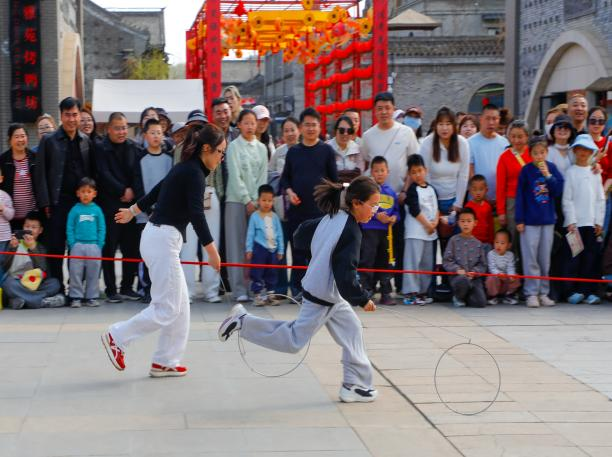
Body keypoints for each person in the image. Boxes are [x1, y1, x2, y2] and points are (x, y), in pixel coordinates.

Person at [218, 176, 379, 403]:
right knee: (293, 341)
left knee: (352, 330)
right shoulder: (351, 231)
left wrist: (321, 251)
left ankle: (355, 385)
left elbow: (300, 235)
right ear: (356, 203)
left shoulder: (333, 217)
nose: (375, 210)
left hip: (329, 294)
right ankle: (243, 322)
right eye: (373, 205)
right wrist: (362, 299)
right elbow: (346, 275)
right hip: (323, 296)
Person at [103, 124, 224, 377]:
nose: (221, 158)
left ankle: (165, 361)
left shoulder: (186, 168)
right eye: (220, 152)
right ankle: (118, 336)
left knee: (180, 306)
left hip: (159, 238)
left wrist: (133, 211)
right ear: (206, 148)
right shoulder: (193, 174)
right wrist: (211, 250)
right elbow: (196, 214)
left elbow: (158, 190)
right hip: (162, 241)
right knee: (167, 307)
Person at [34, 97, 95, 285]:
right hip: (57, 203)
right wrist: (45, 203)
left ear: (79, 116)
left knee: (78, 247)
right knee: (56, 247)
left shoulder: (85, 141)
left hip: (80, 204)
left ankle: (75, 287)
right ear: (61, 116)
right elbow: (40, 174)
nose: (71, 119)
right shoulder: (49, 141)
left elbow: (90, 172)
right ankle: (57, 287)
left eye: (75, 115)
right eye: (67, 115)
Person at [362, 92, 419, 293]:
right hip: (375, 205)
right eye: (380, 108)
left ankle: (398, 285)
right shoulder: (368, 136)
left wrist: (404, 191)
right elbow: (365, 165)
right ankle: (372, 285)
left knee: (397, 244)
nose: (384, 112)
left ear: (394, 109)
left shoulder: (406, 132)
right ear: (375, 111)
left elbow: (414, 164)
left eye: (387, 108)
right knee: (373, 248)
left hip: (399, 199)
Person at [280, 107, 338, 298]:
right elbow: (285, 179)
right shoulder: (293, 152)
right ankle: (297, 289)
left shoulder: (326, 151)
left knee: (319, 253)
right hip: (297, 211)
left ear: (319, 127)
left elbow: (335, 181)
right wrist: (289, 192)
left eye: (314, 125)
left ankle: (318, 290)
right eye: (307, 125)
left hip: (320, 212)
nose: (311, 128)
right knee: (298, 251)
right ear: (301, 127)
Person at [95, 112, 141, 303]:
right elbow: (103, 174)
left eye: (124, 128)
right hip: (109, 204)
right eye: (117, 128)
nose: (122, 132)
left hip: (130, 207)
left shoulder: (133, 147)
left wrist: (132, 191)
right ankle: (111, 289)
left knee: (131, 247)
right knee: (109, 248)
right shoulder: (100, 147)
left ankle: (127, 287)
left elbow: (138, 174)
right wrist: (122, 190)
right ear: (109, 129)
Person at [225, 109, 269, 301]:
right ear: (239, 125)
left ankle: (254, 286)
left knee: (254, 246)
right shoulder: (233, 147)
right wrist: (247, 199)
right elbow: (235, 176)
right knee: (236, 246)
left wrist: (257, 200)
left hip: (257, 204)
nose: (250, 126)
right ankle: (239, 289)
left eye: (253, 122)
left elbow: (262, 176)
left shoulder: (262, 148)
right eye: (246, 122)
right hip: (236, 201)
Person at [515, 135, 564, 308]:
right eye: (535, 153)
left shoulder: (552, 168)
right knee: (530, 258)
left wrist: (548, 176)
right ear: (530, 154)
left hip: (547, 220)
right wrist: (519, 219)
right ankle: (531, 293)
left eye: (542, 152)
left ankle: (544, 292)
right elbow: (520, 196)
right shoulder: (526, 171)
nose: (539, 156)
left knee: (544, 258)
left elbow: (558, 190)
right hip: (530, 221)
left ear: (546, 152)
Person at [133, 119, 173, 303]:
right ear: (145, 136)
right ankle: (146, 288)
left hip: (165, 215)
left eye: (159, 132)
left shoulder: (169, 160)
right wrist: (147, 208)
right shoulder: (140, 159)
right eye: (152, 132)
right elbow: (139, 186)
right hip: (144, 215)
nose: (156, 136)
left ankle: (161, 290)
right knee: (146, 253)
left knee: (163, 255)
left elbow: (170, 187)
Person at [563, 134, 605, 305]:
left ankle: (588, 291)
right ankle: (572, 291)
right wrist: (571, 221)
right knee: (574, 258)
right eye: (580, 149)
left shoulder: (595, 173)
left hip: (591, 223)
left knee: (590, 257)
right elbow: (567, 199)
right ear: (574, 151)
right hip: (575, 225)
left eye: (587, 149)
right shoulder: (571, 172)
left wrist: (599, 221)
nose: (583, 152)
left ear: (591, 152)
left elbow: (600, 199)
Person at [418, 107, 470, 244]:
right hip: (431, 199)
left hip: (454, 199)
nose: (444, 128)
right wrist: (432, 204)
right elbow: (424, 174)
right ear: (436, 125)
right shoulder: (428, 143)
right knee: (433, 241)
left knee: (454, 241)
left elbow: (463, 174)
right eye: (441, 124)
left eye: (448, 124)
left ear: (454, 125)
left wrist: (458, 204)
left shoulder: (462, 143)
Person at [1, 211, 64, 309]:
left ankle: (20, 300)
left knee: (54, 283)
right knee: (7, 283)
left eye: (34, 227)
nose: (29, 230)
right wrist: (12, 249)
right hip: (17, 282)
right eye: (27, 226)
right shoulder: (14, 243)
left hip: (35, 283)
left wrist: (33, 248)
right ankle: (41, 302)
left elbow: (43, 269)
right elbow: (5, 266)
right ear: (23, 227)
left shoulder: (41, 247)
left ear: (40, 230)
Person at [359, 156, 399, 306]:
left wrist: (394, 217)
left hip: (386, 233)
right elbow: (363, 208)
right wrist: (376, 216)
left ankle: (385, 292)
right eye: (376, 171)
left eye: (382, 170)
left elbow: (397, 211)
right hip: (369, 230)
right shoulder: (367, 191)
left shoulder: (391, 192)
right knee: (367, 259)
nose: (380, 173)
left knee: (385, 261)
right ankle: (366, 291)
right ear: (371, 172)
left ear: (388, 172)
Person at [268, 116, 300, 295]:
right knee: (280, 249)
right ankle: (280, 288)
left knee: (298, 250)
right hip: (280, 208)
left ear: (299, 131)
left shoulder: (304, 151)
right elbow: (270, 175)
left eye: (292, 129)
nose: (290, 133)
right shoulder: (278, 153)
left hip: (299, 208)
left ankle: (296, 287)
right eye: (286, 131)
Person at [402, 154, 438, 306]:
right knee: (412, 263)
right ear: (409, 174)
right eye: (413, 172)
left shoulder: (431, 189)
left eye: (420, 171)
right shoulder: (412, 190)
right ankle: (410, 293)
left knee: (426, 264)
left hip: (430, 234)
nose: (417, 175)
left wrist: (435, 223)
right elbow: (415, 210)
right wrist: (428, 225)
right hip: (415, 233)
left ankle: (423, 292)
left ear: (426, 170)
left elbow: (436, 208)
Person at [66, 177, 106, 308]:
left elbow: (101, 228)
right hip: (77, 246)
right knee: (75, 273)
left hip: (94, 246)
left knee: (93, 273)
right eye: (83, 191)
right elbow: (70, 227)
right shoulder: (75, 210)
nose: (86, 194)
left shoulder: (97, 210)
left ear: (94, 194)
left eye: (89, 191)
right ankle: (76, 297)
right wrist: (72, 244)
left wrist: (99, 244)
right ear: (78, 193)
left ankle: (92, 297)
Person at [246, 184, 284, 306]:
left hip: (272, 250)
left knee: (272, 272)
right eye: (264, 200)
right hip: (259, 249)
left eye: (269, 200)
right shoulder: (254, 216)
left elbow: (279, 234)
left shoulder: (275, 217)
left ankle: (270, 295)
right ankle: (257, 296)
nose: (267, 203)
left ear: (273, 201)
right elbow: (250, 234)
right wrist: (249, 249)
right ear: (258, 200)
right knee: (256, 271)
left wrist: (280, 250)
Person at [442, 207, 487, 308]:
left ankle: (466, 296)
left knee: (481, 303)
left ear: (475, 223)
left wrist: (475, 272)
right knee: (463, 280)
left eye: (469, 221)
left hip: (474, 279)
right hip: (458, 277)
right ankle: (458, 297)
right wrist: (457, 269)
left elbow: (482, 264)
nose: (466, 224)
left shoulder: (478, 244)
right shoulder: (453, 240)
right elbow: (446, 261)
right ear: (458, 223)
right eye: (462, 221)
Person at [496, 120, 532, 245]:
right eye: (513, 136)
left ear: (527, 136)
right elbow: (500, 186)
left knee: (529, 236)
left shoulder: (533, 154)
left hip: (530, 200)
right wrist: (501, 211)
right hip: (512, 201)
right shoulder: (504, 157)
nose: (516, 140)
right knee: (513, 235)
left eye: (520, 136)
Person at [468, 104, 508, 207]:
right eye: (487, 118)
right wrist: (482, 195)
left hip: (500, 200)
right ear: (481, 119)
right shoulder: (470, 142)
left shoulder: (505, 143)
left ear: (499, 120)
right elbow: (470, 171)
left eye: (494, 119)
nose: (491, 122)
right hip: (478, 201)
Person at [1, 124, 37, 230]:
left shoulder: (35, 158)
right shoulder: (3, 160)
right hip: (9, 217)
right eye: (16, 137)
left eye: (23, 136)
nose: (20, 140)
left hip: (31, 218)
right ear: (10, 140)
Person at [485, 229, 520, 305]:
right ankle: (493, 296)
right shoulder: (491, 254)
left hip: (506, 278)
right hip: (496, 277)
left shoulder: (510, 255)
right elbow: (492, 268)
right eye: (496, 242)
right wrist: (498, 274)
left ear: (509, 245)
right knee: (491, 278)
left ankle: (508, 295)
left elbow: (511, 267)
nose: (499, 245)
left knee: (516, 277)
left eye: (502, 243)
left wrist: (511, 276)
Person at [327, 115, 364, 182]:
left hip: (353, 187)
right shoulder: (327, 148)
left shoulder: (357, 149)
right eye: (342, 130)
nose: (345, 134)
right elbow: (326, 174)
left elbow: (359, 173)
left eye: (349, 131)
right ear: (335, 130)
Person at [465, 175, 494, 247]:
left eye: (481, 189)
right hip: (472, 242)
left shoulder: (487, 206)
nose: (478, 192)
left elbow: (491, 225)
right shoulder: (468, 207)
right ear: (470, 191)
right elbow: (465, 225)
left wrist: (491, 241)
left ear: (486, 190)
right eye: (474, 190)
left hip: (486, 243)